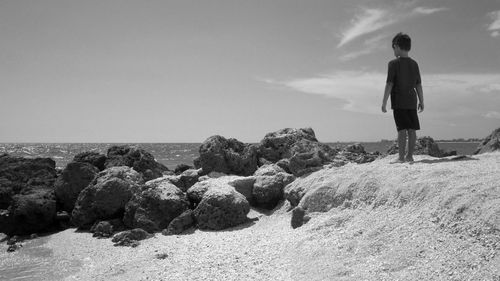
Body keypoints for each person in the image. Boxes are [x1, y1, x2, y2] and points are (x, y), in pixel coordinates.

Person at [381, 32, 424, 163]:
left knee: (401, 130)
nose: (393, 51)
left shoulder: (393, 64)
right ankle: (410, 156)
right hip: (412, 101)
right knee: (412, 129)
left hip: (399, 101)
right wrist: (422, 101)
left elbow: (389, 84)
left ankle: (401, 158)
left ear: (396, 46)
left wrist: (384, 102)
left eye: (393, 48)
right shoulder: (414, 64)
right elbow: (418, 84)